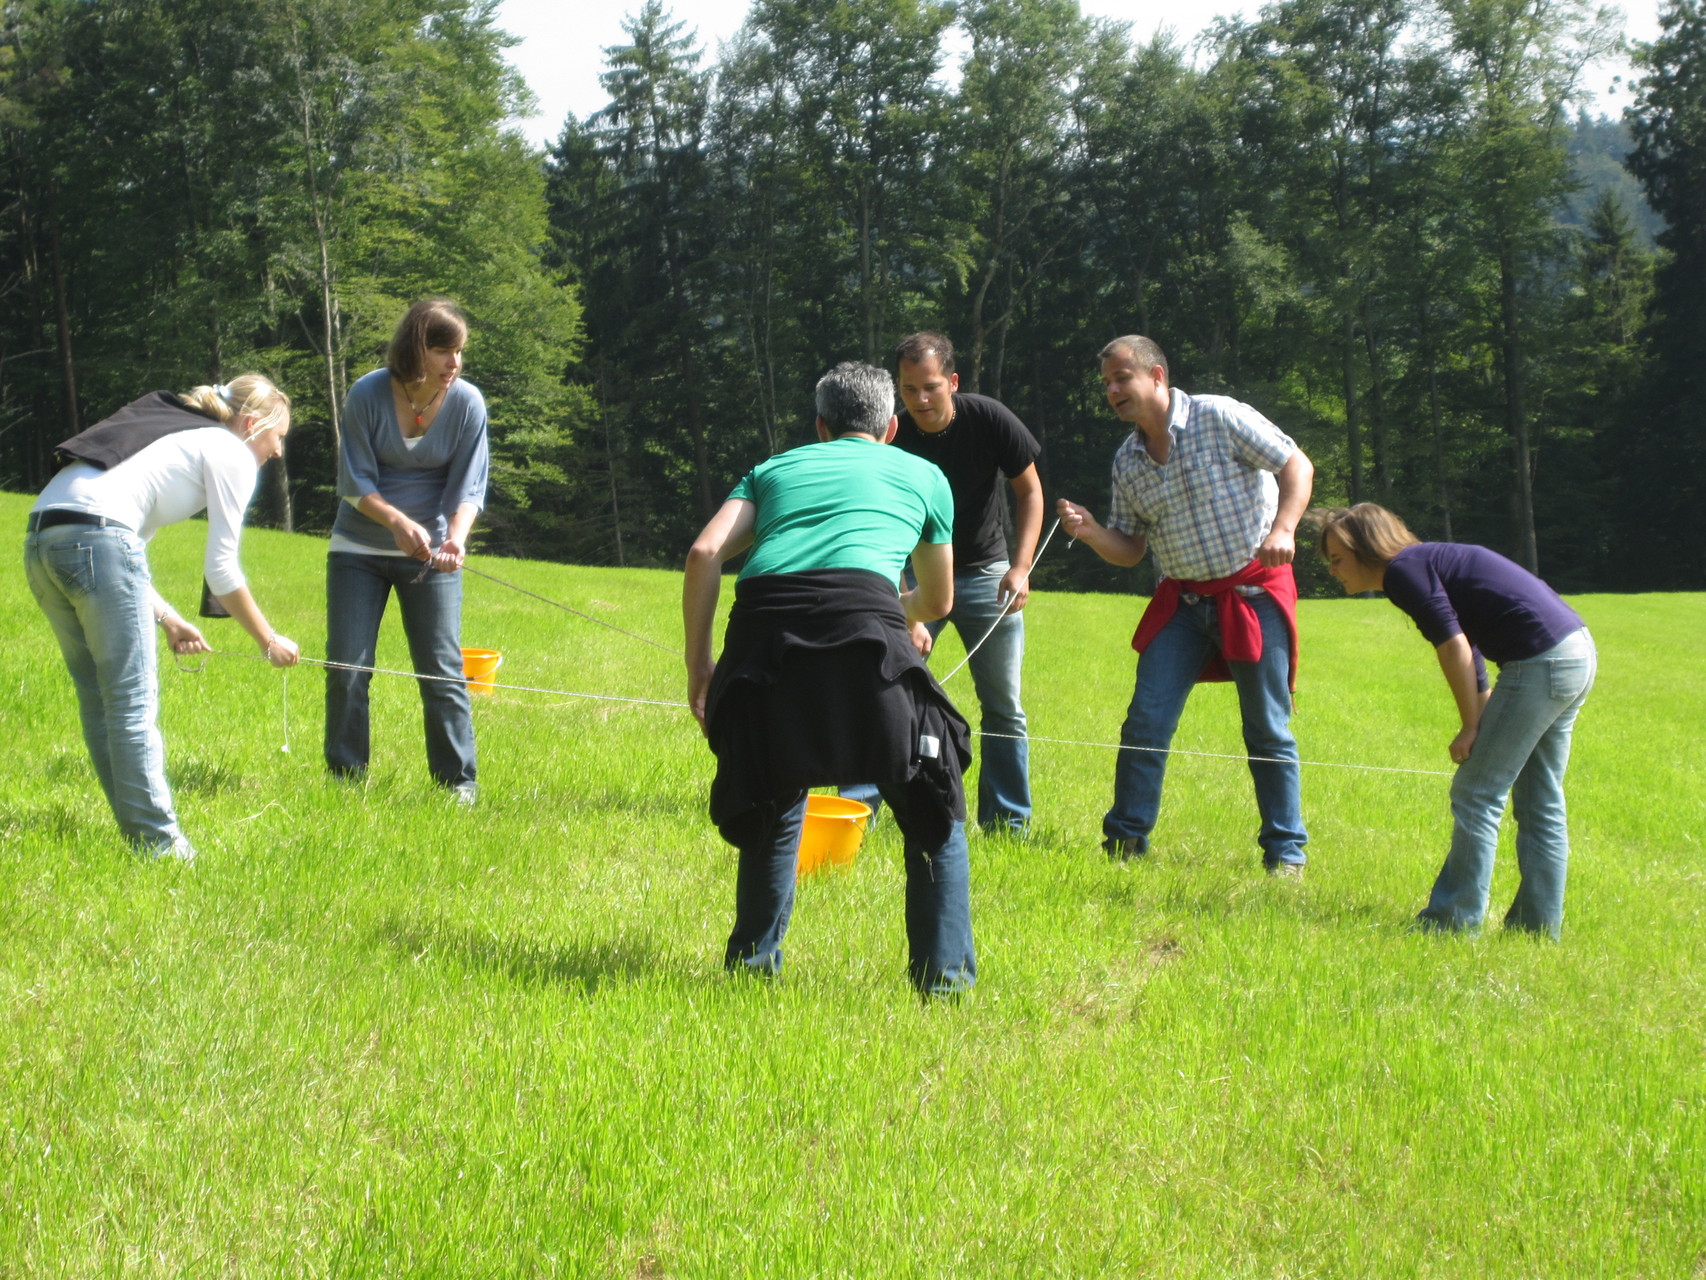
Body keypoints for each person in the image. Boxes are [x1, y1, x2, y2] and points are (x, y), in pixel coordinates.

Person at [684, 361, 976, 996]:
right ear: (891, 427)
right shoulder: (924, 475)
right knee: (933, 795)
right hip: (867, 635)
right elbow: (938, 600)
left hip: (761, 641)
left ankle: (750, 972)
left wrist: (700, 667)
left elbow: (705, 553)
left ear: (820, 426)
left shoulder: (773, 470)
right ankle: (944, 985)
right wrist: (898, 614)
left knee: (773, 789)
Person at [1056, 335, 1314, 874]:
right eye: (1106, 383)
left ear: (1157, 376)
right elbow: (1130, 549)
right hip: (1184, 603)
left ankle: (1286, 855)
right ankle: (1125, 844)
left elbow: (1296, 465)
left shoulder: (1218, 416)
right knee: (1145, 722)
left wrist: (1285, 528)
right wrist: (1092, 533)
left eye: (1121, 378)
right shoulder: (1127, 461)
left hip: (1252, 593)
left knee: (1267, 728)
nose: (1112, 391)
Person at [25, 375, 302, 861]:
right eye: (278, 437)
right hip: (97, 540)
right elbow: (220, 570)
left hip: (41, 541)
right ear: (252, 424)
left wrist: (169, 618)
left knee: (99, 700)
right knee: (130, 704)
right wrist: (268, 640)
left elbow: (123, 546)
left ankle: (141, 838)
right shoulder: (231, 451)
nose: (278, 451)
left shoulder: (173, 436)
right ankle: (161, 848)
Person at [1317, 504, 1596, 938]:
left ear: (1367, 549)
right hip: (1575, 652)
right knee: (1539, 799)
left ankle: (1452, 923)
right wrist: (1479, 715)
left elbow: (1453, 646)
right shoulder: (1422, 562)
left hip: (1540, 663)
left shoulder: (1403, 570)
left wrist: (1470, 726)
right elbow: (1469, 643)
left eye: (1337, 559)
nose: (1333, 571)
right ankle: (1537, 931)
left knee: (1476, 793)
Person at [843, 332, 1043, 832]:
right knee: (880, 686)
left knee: (1003, 707)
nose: (920, 400)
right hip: (915, 574)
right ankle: (859, 813)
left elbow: (1030, 492)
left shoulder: (990, 418)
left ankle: (1007, 824)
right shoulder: (893, 435)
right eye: (908, 390)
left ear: (952, 382)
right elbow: (881, 520)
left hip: (987, 575)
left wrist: (1020, 568)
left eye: (930, 387)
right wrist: (903, 604)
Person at [324, 298, 489, 802]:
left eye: (459, 351)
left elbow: (469, 487)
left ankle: (457, 786)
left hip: (431, 557)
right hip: (357, 549)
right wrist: (397, 522)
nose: (454, 363)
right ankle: (345, 782)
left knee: (441, 672)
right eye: (443, 351)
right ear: (416, 349)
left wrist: (455, 538)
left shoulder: (467, 403)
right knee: (347, 669)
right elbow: (354, 483)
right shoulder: (367, 394)